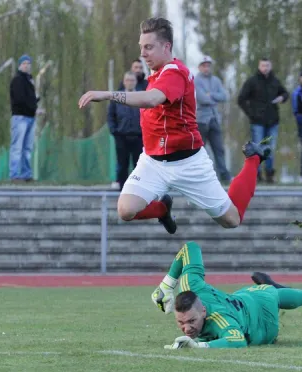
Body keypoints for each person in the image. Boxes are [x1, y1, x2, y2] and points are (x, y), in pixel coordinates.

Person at [79, 17, 270, 234]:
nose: (143, 53)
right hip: (153, 162)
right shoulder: (155, 72)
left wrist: (108, 94)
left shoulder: (175, 72)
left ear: (166, 46)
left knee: (231, 219)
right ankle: (162, 209)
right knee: (126, 210)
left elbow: (151, 99)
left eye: (148, 47)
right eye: (141, 47)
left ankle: (254, 159)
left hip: (188, 163)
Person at [151, 241, 302, 349]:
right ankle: (272, 286)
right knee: (263, 291)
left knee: (272, 294)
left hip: (262, 320)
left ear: (204, 311)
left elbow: (237, 340)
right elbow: (189, 248)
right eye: (181, 322)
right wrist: (166, 286)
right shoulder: (190, 284)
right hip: (240, 299)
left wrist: (199, 346)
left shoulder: (219, 318)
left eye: (191, 321)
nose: (187, 328)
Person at [237, 57, 288, 184]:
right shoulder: (252, 81)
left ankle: (270, 174)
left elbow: (285, 93)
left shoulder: (275, 81)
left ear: (270, 66)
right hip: (257, 122)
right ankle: (257, 175)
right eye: (263, 65)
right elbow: (241, 99)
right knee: (257, 149)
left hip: (273, 121)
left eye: (267, 65)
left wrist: (282, 97)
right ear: (259, 66)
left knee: (269, 148)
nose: (265, 68)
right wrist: (251, 114)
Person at [195, 55, 231, 183]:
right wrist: (212, 98)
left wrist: (211, 95)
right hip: (200, 120)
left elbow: (225, 96)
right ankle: (200, 176)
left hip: (214, 118)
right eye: (204, 65)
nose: (206, 68)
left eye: (208, 65)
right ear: (200, 67)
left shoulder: (216, 80)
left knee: (219, 149)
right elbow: (201, 99)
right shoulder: (195, 80)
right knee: (200, 151)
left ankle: (224, 175)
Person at [107, 71, 144, 190]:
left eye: (132, 80)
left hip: (139, 136)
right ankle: (123, 189)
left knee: (140, 164)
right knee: (122, 164)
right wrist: (114, 130)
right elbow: (110, 116)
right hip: (122, 136)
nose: (130, 82)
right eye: (127, 80)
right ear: (124, 82)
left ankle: (139, 188)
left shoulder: (142, 97)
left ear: (136, 82)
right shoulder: (117, 97)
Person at [9, 54, 40, 182]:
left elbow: (29, 99)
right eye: (24, 63)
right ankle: (14, 174)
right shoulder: (17, 80)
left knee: (27, 148)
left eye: (28, 63)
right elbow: (20, 99)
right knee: (17, 147)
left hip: (30, 117)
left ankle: (26, 174)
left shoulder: (29, 81)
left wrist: (35, 104)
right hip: (20, 117)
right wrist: (34, 107)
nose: (26, 65)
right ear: (20, 65)